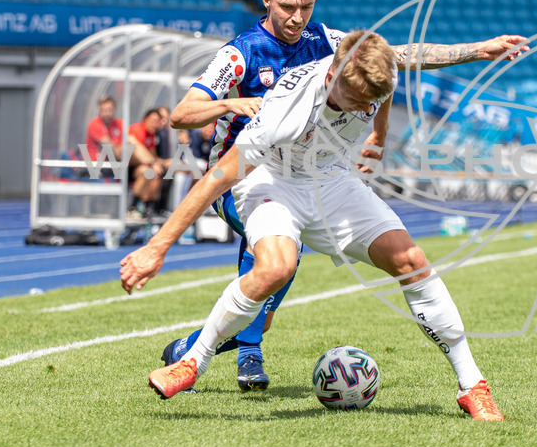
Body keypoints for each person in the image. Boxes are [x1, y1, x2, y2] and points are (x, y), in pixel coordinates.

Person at [164, 0, 526, 392]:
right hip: (244, 175)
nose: (297, 18)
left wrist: (476, 51)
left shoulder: (329, 41)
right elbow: (182, 114)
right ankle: (244, 350)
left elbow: (398, 56)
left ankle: (202, 347)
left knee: (275, 281)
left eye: (306, 6)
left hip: (316, 171)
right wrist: (230, 103)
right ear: (266, 0)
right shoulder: (240, 54)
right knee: (279, 258)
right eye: (286, 7)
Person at [120, 30, 504, 421]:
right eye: (357, 101)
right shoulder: (288, 108)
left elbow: (403, 65)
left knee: (412, 260)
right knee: (276, 267)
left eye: (370, 102)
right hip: (272, 180)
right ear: (333, 74)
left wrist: (475, 52)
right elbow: (219, 177)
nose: (363, 107)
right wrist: (157, 248)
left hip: (330, 180)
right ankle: (192, 362)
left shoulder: (372, 74)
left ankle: (472, 385)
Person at [126, 108, 168, 218]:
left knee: (157, 171)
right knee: (147, 171)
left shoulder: (152, 136)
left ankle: (150, 208)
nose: (155, 124)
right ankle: (132, 207)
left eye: (157, 122)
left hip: (138, 167)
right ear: (145, 119)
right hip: (125, 167)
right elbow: (138, 152)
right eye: (152, 120)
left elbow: (152, 156)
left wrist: (161, 163)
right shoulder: (137, 130)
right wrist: (154, 163)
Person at [85, 94, 123, 164]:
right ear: (99, 110)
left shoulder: (120, 123)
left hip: (113, 163)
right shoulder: (95, 123)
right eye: (104, 110)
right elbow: (112, 148)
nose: (107, 113)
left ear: (114, 110)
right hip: (96, 164)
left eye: (110, 110)